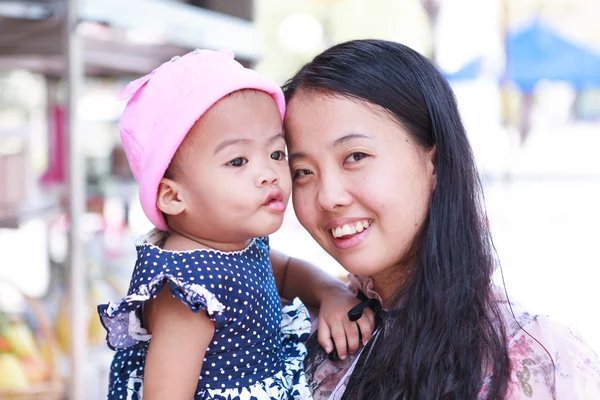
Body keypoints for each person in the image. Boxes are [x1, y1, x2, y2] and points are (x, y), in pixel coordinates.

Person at [282, 39, 600, 399]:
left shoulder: (542, 361)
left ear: (434, 161)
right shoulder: (298, 338)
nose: (327, 196)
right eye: (302, 172)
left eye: (355, 156)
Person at [97, 49, 374, 400]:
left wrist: (330, 292)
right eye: (238, 160)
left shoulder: (237, 243)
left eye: (276, 154)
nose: (269, 174)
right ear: (172, 196)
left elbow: (286, 271)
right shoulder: (186, 289)